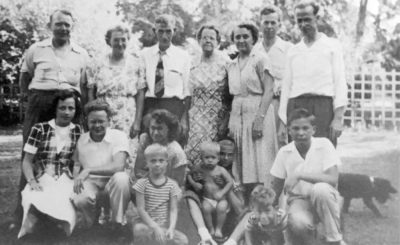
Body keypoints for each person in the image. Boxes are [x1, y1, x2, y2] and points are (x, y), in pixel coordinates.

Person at [12, 9, 89, 229]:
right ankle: (21, 215)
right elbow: (24, 79)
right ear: (50, 26)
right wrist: (35, 102)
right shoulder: (36, 49)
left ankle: (59, 214)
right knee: (30, 155)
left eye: (67, 24)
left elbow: (83, 85)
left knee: (66, 156)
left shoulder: (81, 53)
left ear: (72, 27)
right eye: (59, 24)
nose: (63, 28)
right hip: (40, 104)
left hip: (68, 105)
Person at [278, 0, 348, 147]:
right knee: (298, 156)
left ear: (317, 19)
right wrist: (283, 121)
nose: (303, 24)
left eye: (307, 19)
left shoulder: (332, 46)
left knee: (323, 155)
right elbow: (286, 87)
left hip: (323, 107)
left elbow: (340, 82)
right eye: (300, 20)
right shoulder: (293, 51)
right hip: (296, 106)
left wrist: (338, 118)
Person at [270, 108, 344, 245]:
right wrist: (274, 209)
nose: (301, 133)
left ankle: (335, 240)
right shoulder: (284, 152)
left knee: (320, 189)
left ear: (314, 129)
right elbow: (276, 186)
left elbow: (333, 179)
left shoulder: (324, 145)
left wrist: (299, 175)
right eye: (296, 128)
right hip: (299, 201)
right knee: (298, 223)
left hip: (326, 200)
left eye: (305, 128)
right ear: (289, 130)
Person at [18, 90, 82, 238]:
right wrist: (32, 181)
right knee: (35, 195)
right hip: (42, 177)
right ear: (55, 109)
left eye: (71, 108)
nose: (66, 112)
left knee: (65, 201)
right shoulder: (40, 129)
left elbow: (77, 161)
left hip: (65, 177)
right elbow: (27, 161)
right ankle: (42, 224)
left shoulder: (78, 130)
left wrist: (76, 178)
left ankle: (53, 225)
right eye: (62, 108)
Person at [228, 23, 278, 194]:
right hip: (237, 113)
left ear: (254, 38)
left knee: (260, 158)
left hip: (258, 111)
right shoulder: (232, 63)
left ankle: (265, 201)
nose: (241, 40)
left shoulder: (260, 59)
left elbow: (269, 90)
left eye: (245, 36)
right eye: (237, 37)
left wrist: (259, 119)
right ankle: (244, 202)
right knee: (240, 159)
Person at [71, 100, 131, 231]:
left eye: (101, 121)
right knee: (80, 197)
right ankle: (92, 224)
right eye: (93, 121)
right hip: (92, 184)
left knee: (122, 178)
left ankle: (117, 223)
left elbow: (119, 166)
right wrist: (77, 177)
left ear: (108, 121)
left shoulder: (119, 136)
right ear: (87, 121)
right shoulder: (82, 139)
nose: (97, 125)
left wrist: (88, 170)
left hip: (112, 184)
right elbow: (76, 163)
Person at [87, 24, 146, 140]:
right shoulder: (97, 63)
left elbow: (140, 93)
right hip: (102, 114)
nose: (120, 43)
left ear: (128, 40)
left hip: (126, 115)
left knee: (124, 150)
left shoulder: (136, 63)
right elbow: (90, 91)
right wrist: (92, 116)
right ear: (109, 42)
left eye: (123, 40)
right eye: (116, 40)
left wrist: (137, 121)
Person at [140, 14, 191, 145]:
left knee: (172, 147)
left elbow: (187, 91)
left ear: (174, 31)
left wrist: (184, 118)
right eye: (160, 31)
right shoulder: (145, 54)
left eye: (168, 31)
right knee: (150, 149)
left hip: (173, 106)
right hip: (151, 106)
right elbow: (141, 86)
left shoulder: (183, 56)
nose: (164, 36)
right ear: (154, 31)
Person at [186, 25, 231, 164]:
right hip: (196, 116)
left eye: (212, 38)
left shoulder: (226, 63)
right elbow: (187, 93)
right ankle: (193, 183)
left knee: (214, 153)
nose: (208, 41)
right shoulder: (191, 62)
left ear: (218, 42)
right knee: (195, 150)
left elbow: (231, 94)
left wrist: (226, 118)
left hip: (218, 116)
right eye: (204, 37)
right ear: (199, 40)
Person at [253, 5, 293, 146]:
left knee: (280, 145)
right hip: (257, 106)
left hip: (279, 105)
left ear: (279, 25)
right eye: (266, 22)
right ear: (260, 24)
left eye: (273, 22)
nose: (269, 26)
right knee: (259, 146)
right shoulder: (254, 50)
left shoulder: (289, 50)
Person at [132, 144, 188, 245]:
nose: (157, 164)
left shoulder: (172, 185)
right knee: (138, 229)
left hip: (164, 227)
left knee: (183, 240)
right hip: (147, 225)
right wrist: (155, 227)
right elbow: (141, 209)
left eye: (161, 161)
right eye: (153, 161)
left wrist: (171, 228)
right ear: (146, 163)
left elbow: (173, 209)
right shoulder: (142, 184)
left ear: (167, 163)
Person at [187, 141, 233, 241]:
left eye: (213, 158)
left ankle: (218, 229)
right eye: (206, 157)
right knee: (205, 208)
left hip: (221, 199)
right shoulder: (199, 168)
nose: (210, 160)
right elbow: (189, 174)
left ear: (218, 158)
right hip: (207, 199)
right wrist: (194, 184)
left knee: (222, 208)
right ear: (201, 158)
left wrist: (222, 192)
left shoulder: (220, 170)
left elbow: (230, 182)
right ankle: (211, 229)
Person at [134, 109, 187, 187]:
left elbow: (178, 183)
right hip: (146, 185)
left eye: (159, 129)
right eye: (152, 128)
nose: (155, 133)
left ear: (169, 129)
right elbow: (138, 170)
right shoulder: (145, 140)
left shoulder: (176, 151)